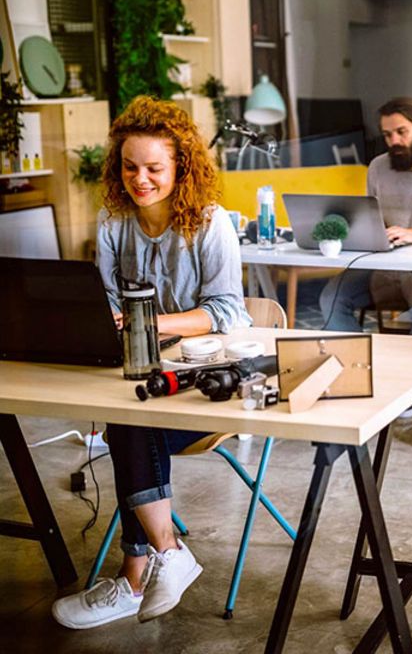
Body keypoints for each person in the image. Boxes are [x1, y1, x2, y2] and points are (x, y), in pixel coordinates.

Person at [52, 97, 250, 629]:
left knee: (129, 425)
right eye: (130, 167)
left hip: (207, 384)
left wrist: (149, 324)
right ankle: (165, 553)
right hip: (142, 378)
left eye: (155, 168)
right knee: (130, 418)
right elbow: (106, 303)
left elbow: (229, 311)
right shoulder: (115, 220)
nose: (140, 179)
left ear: (180, 168)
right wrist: (113, 322)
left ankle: (138, 570)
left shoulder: (211, 223)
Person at [319, 97, 412, 336]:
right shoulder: (378, 167)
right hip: (386, 262)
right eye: (387, 135)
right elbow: (373, 220)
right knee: (331, 298)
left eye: (402, 132)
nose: (394, 141)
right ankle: (362, 363)